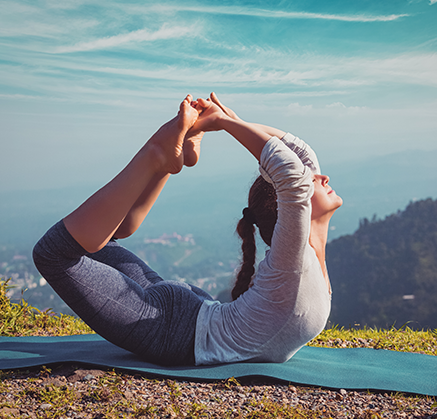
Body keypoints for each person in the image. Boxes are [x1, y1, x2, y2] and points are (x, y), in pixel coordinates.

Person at [33, 93, 342, 366]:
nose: (322, 176)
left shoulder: (295, 257)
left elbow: (297, 165)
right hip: (176, 327)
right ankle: (157, 156)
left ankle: (164, 161)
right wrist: (228, 121)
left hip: (183, 319)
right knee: (58, 252)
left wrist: (227, 122)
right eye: (314, 179)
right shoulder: (295, 258)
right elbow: (296, 167)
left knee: (80, 245)